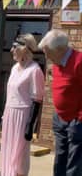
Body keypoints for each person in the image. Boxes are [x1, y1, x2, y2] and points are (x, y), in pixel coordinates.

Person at [38, 30, 82, 176]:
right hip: (60, 119)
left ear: (61, 49)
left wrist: (80, 120)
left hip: (76, 121)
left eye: (48, 52)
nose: (46, 56)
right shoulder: (57, 63)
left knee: (74, 164)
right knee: (60, 161)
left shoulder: (79, 61)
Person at [1, 34, 45, 176]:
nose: (11, 50)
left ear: (25, 49)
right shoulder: (14, 68)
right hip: (10, 114)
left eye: (15, 47)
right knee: (7, 151)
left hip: (23, 116)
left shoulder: (35, 70)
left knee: (20, 156)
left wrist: (30, 124)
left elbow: (37, 99)